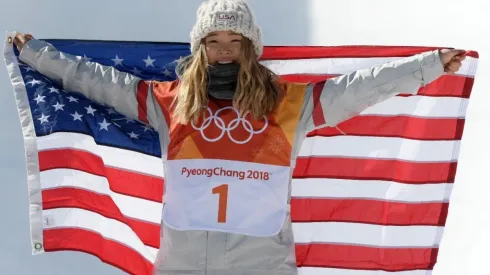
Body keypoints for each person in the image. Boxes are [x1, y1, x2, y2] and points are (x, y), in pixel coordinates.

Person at [13, 0, 465, 274]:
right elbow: (98, 82)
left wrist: (426, 65)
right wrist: (36, 55)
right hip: (182, 266)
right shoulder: (169, 102)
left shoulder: (290, 104)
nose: (224, 49)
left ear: (251, 47)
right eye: (213, 40)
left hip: (262, 267)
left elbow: (358, 88)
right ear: (200, 47)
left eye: (235, 40)